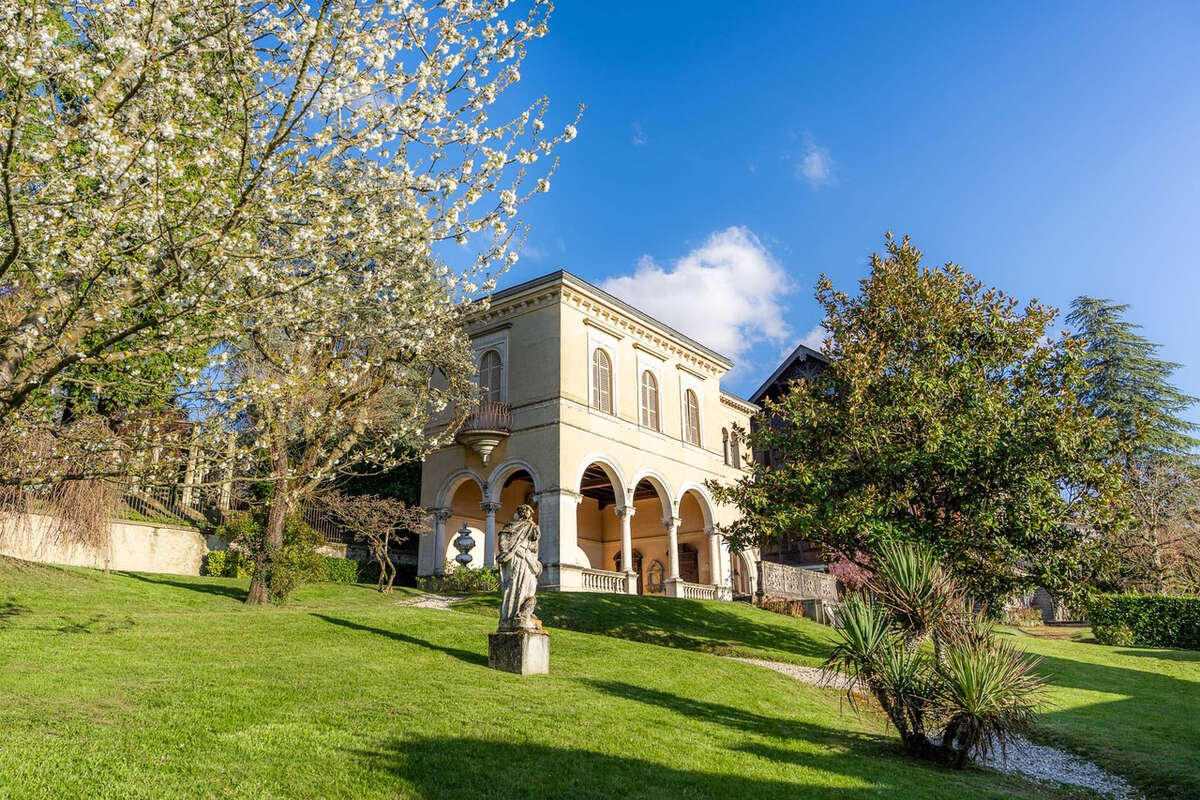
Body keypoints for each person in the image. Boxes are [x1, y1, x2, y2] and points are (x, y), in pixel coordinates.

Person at [496, 504, 542, 631]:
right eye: (526, 511)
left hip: (526, 562)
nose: (527, 514)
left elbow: (534, 546)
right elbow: (503, 543)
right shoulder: (511, 527)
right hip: (516, 559)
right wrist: (514, 551)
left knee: (527, 588)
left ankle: (522, 615)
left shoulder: (530, 527)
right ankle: (509, 618)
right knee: (513, 587)